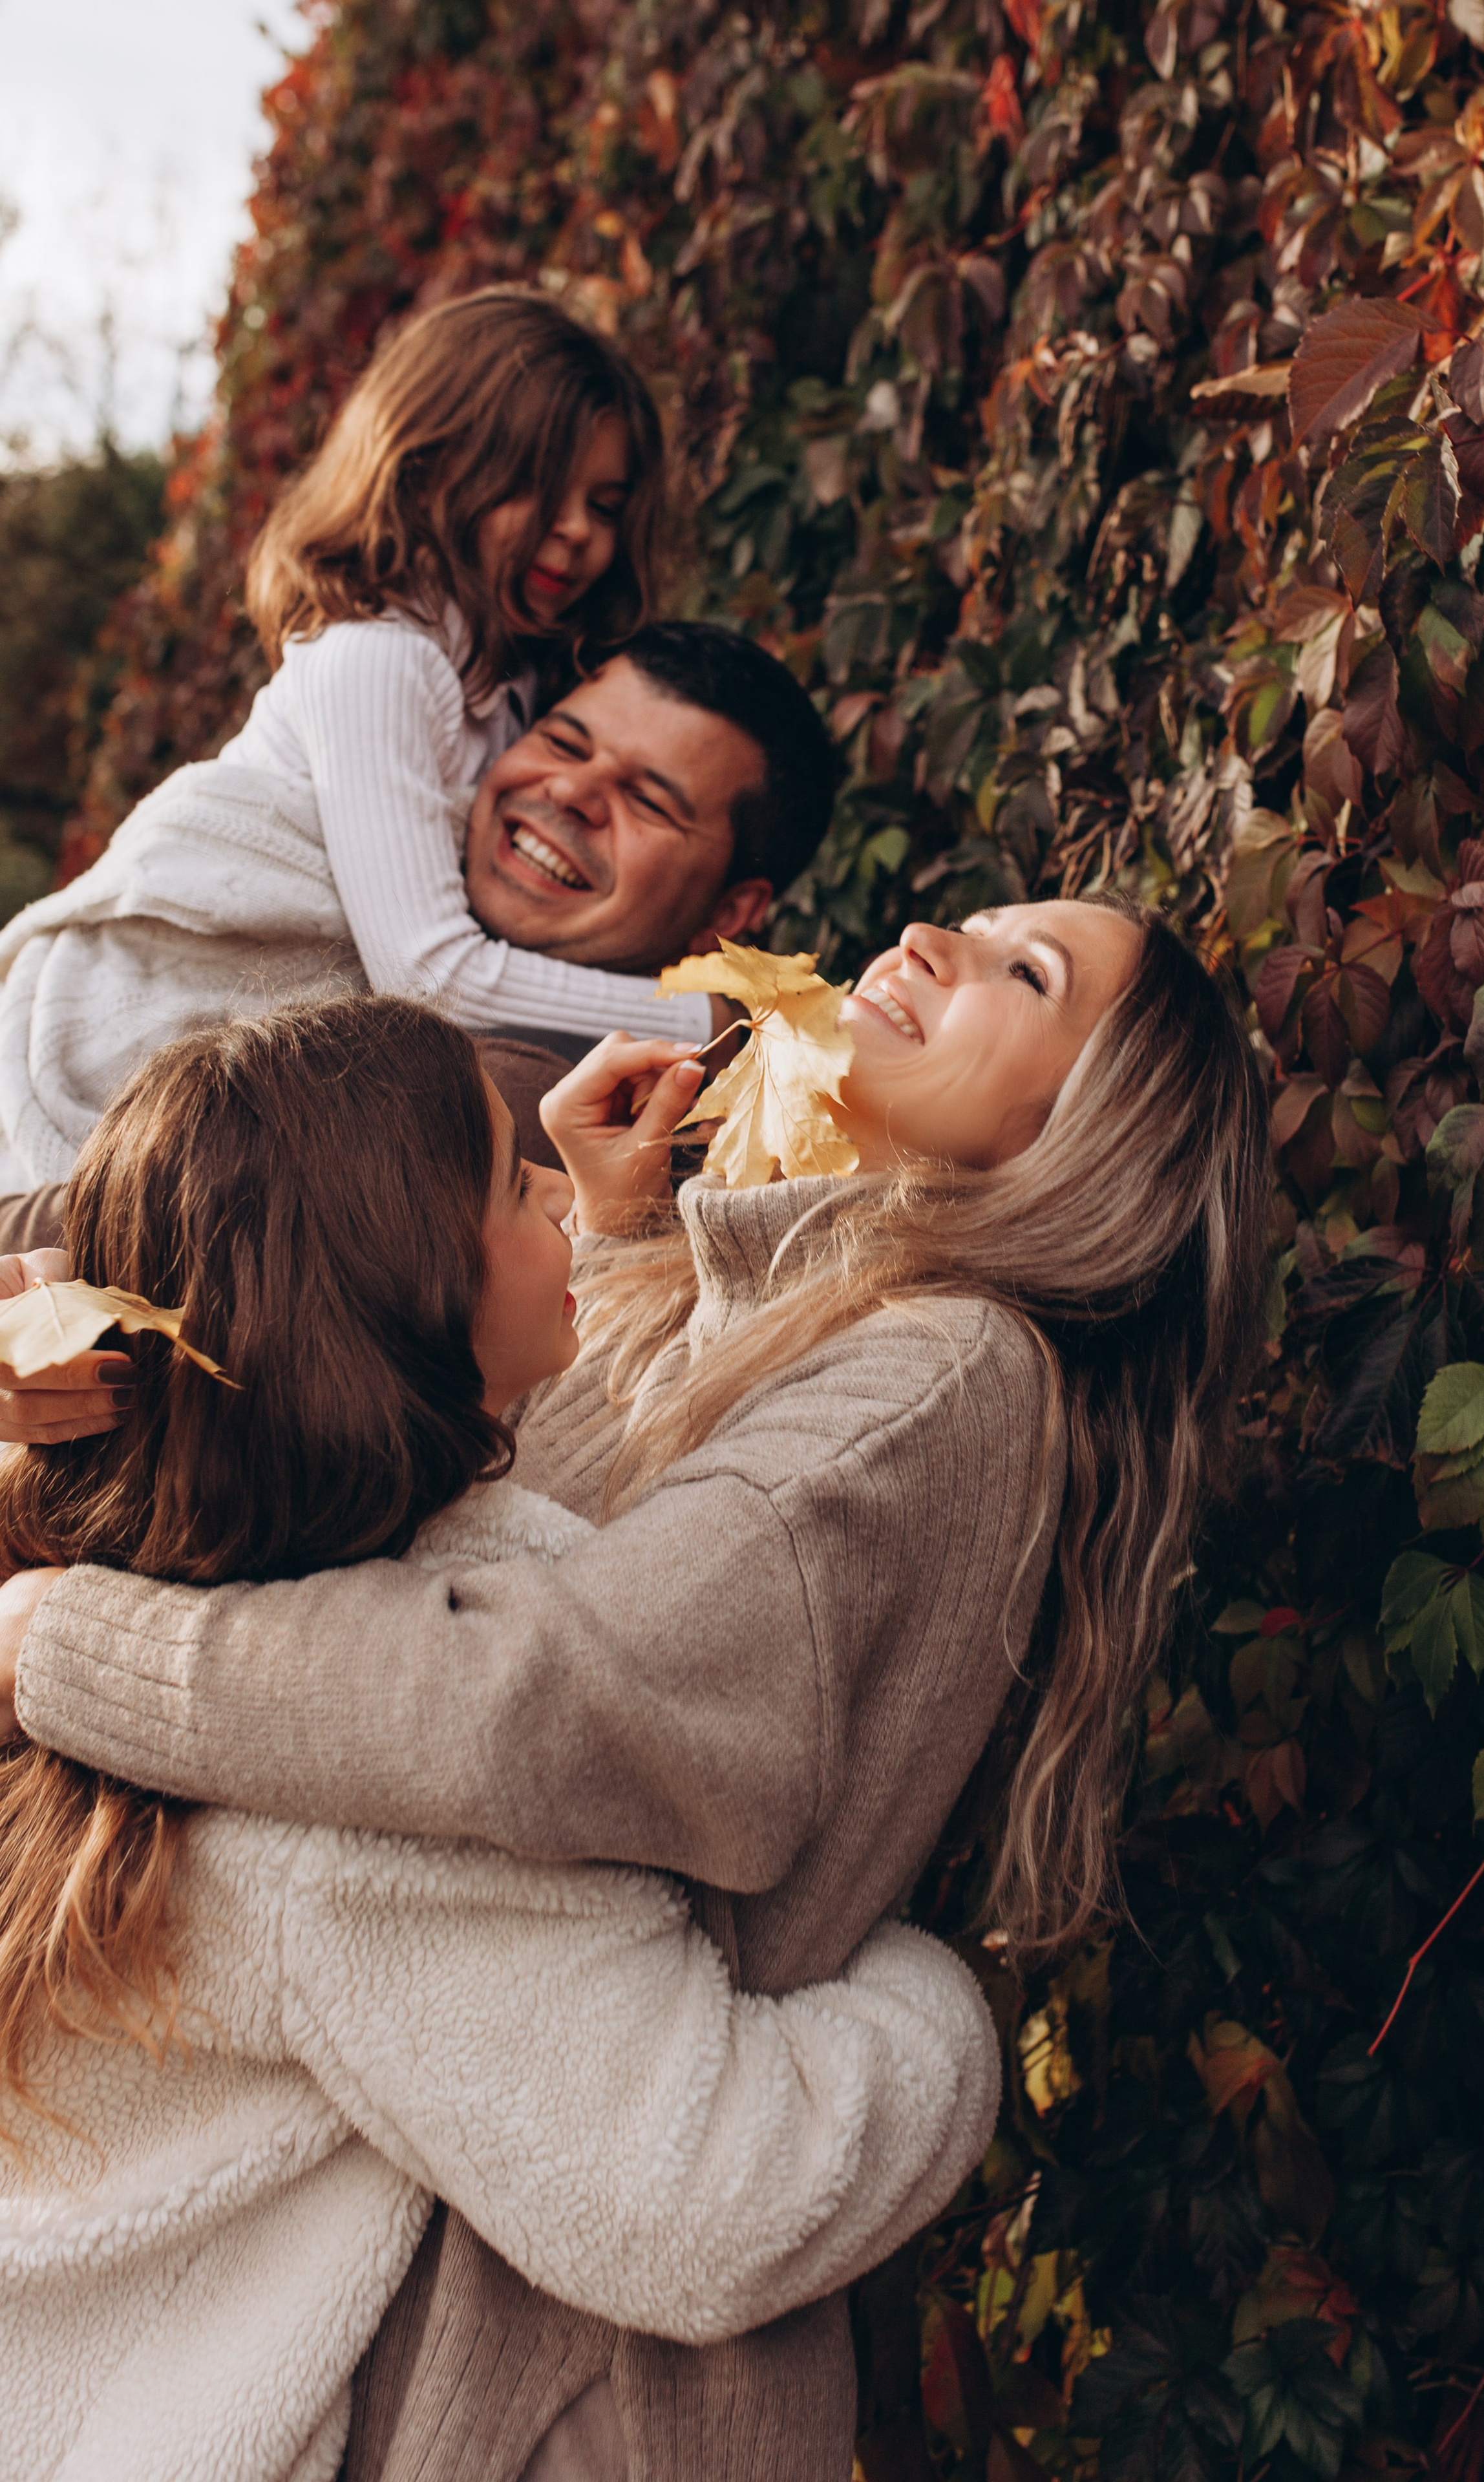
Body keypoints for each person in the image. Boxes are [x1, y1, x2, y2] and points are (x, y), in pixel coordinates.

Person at [3, 895, 1273, 2481]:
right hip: (534, 2227)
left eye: (1027, 973)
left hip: (579, 2349)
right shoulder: (828, 1316)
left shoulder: (946, 1365)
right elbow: (487, 1542)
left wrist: (70, 1644)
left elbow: (556, 1692)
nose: (940, 937)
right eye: (972, 916)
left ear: (1092, 1142)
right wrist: (604, 1244)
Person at [0, 290, 831, 1189]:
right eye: (538, 488)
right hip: (128, 1019)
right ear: (426, 467)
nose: (579, 532)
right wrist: (702, 1021)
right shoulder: (378, 658)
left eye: (605, 503)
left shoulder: (517, 690)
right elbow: (432, 978)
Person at [0, 617, 836, 1253]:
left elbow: (151, 1228)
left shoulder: (527, 1101)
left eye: (649, 802)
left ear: (731, 914)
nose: (573, 792)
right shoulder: (387, 869)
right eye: (563, 741)